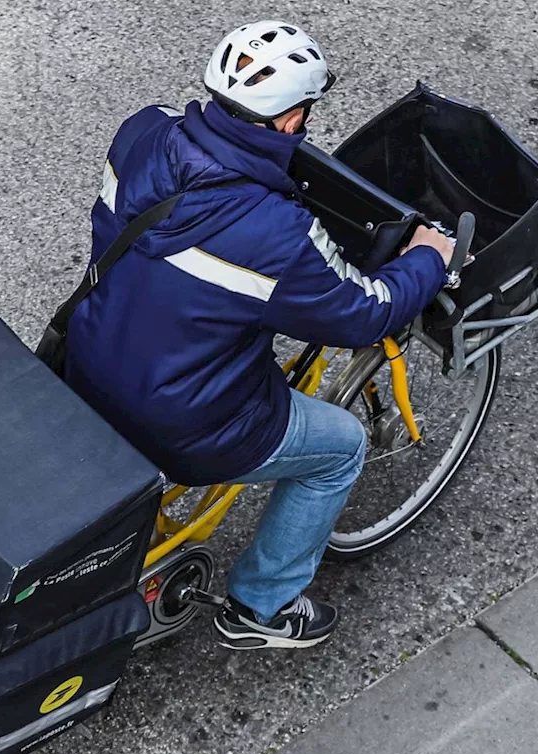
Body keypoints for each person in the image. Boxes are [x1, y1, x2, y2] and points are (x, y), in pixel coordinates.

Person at [64, 21, 455, 650]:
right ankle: (262, 607)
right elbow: (364, 311)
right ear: (285, 120)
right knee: (341, 448)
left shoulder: (143, 130)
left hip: (83, 363)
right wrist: (428, 258)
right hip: (186, 424)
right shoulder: (277, 233)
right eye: (304, 110)